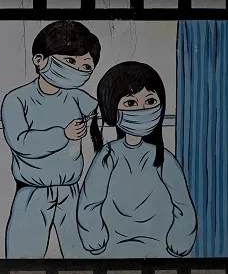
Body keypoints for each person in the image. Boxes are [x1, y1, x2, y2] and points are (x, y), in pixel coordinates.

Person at [1, 20, 103, 258]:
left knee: (81, 256)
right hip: (32, 192)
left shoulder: (77, 97)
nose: (77, 70)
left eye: (85, 66)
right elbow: (21, 143)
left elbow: (103, 109)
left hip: (71, 191)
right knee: (22, 258)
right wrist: (63, 134)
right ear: (40, 60)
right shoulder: (18, 99)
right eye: (70, 61)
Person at [78, 61, 197, 258]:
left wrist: (180, 240)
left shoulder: (163, 158)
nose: (142, 110)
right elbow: (89, 203)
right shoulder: (108, 157)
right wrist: (95, 239)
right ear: (112, 110)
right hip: (112, 251)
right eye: (131, 103)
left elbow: (183, 204)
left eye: (150, 102)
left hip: (161, 250)